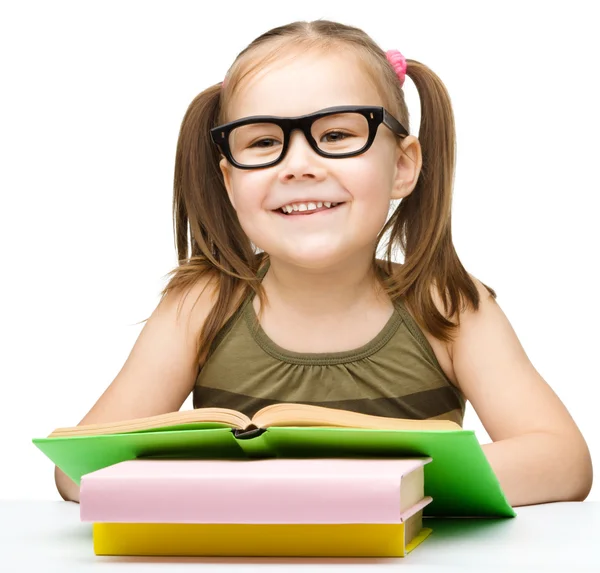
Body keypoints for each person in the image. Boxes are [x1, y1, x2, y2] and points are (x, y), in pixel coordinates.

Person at [55, 19, 593, 505]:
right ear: (229, 181)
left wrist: (373, 487)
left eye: (336, 135)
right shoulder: (201, 306)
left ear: (403, 166)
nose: (299, 165)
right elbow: (78, 473)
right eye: (264, 142)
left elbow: (564, 463)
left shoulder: (446, 307)